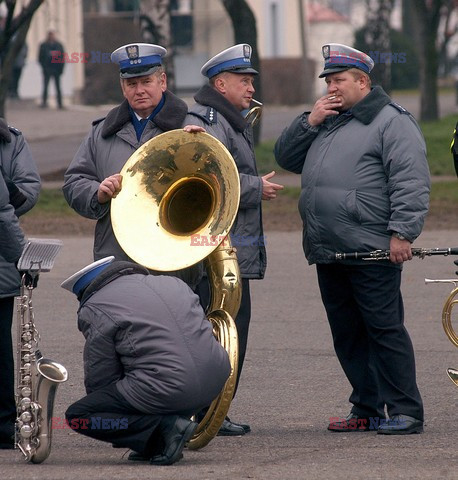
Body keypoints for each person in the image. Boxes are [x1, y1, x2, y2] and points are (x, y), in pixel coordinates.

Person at [274, 43, 430, 435]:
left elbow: (410, 181)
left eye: (339, 80)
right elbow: (286, 159)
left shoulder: (392, 122)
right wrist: (308, 122)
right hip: (329, 247)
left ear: (363, 81)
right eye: (327, 80)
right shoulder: (326, 118)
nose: (331, 87)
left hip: (373, 246)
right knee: (347, 334)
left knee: (384, 329)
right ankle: (366, 408)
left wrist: (402, 234)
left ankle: (406, 410)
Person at [185, 44, 284, 436]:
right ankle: (207, 414)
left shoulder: (229, 118)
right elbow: (210, 179)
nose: (250, 87)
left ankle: (215, 412)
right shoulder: (208, 120)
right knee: (222, 331)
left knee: (231, 331)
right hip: (216, 252)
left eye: (251, 80)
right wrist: (255, 187)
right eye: (243, 80)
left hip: (231, 249)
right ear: (220, 83)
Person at [61, 256, 230, 465]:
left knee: (79, 415)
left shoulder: (95, 306)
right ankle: (157, 442)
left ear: (85, 292)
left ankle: (165, 430)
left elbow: (101, 375)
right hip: (215, 378)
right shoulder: (173, 283)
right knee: (151, 381)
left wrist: (121, 425)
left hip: (171, 388)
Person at [62, 43, 204, 290]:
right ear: (122, 87)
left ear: (162, 81)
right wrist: (97, 192)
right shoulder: (101, 132)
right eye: (132, 84)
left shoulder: (191, 127)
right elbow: (74, 181)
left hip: (174, 260)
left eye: (146, 81)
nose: (139, 90)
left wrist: (197, 148)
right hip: (117, 259)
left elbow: (216, 177)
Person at [0, 118, 40, 449]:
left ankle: (2, 424)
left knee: (0, 346)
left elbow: (28, 192)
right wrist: (24, 261)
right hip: (7, 253)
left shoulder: (12, 140)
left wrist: (8, 189)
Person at [38, 30, 65, 109]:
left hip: (56, 69)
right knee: (45, 86)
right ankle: (44, 102)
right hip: (47, 69)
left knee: (58, 87)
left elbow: (62, 58)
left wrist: (61, 69)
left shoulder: (59, 45)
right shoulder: (43, 45)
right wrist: (44, 67)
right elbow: (40, 58)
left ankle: (59, 103)